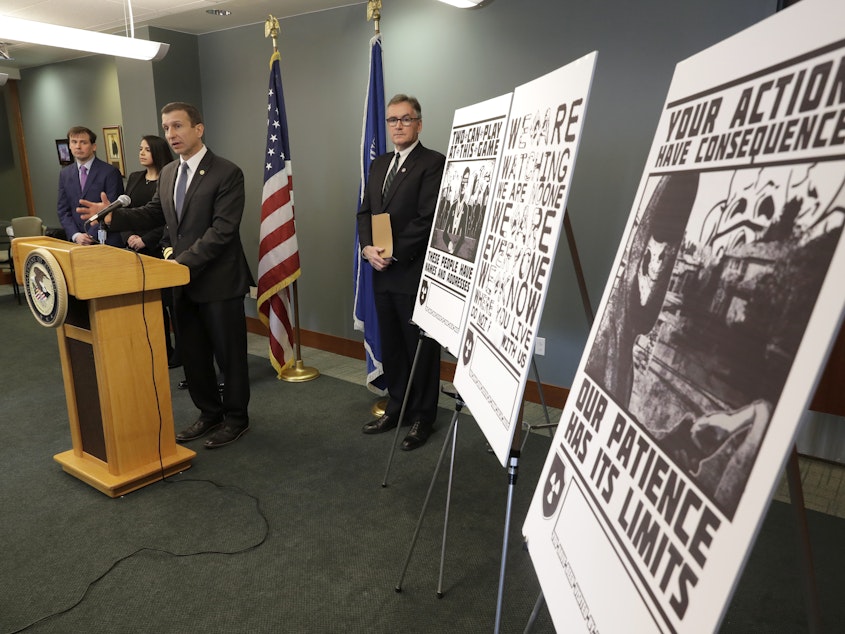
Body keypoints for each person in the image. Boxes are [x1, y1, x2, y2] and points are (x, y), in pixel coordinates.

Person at [77, 102, 254, 450]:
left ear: (198, 129)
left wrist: (182, 262)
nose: (171, 134)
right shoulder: (170, 172)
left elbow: (222, 230)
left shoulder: (227, 173)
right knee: (194, 353)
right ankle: (209, 413)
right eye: (166, 128)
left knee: (228, 356)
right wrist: (112, 217)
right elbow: (155, 213)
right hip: (179, 281)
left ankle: (236, 419)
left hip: (217, 281)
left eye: (178, 126)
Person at [357, 94, 446, 451]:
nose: (397, 125)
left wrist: (392, 254)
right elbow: (365, 213)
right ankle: (397, 406)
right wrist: (367, 249)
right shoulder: (379, 164)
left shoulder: (433, 163)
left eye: (405, 119)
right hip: (380, 270)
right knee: (393, 344)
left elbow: (428, 219)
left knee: (420, 349)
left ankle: (424, 416)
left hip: (414, 273)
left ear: (419, 124)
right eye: (392, 120)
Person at [122, 135, 181, 368]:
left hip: (160, 249)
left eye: (147, 149)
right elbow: (127, 210)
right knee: (151, 305)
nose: (142, 153)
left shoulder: (169, 177)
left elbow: (168, 217)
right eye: (140, 148)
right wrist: (129, 237)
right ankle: (161, 349)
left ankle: (182, 353)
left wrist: (146, 239)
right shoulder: (135, 179)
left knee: (171, 304)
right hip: (135, 251)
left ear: (158, 151)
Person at [57, 126, 125, 247]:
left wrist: (90, 235)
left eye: (83, 142)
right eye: (74, 142)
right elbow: (63, 210)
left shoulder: (110, 172)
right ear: (69, 146)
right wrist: (76, 235)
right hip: (76, 243)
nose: (78, 146)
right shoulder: (65, 174)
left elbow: (113, 208)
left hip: (105, 241)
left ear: (93, 146)